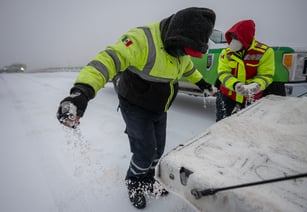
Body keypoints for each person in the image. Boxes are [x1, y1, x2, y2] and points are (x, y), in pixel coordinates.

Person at [56, 7, 216, 209]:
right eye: (184, 49)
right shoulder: (142, 40)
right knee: (144, 152)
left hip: (160, 107)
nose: (185, 55)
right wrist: (82, 91)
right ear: (175, 35)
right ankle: (133, 182)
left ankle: (148, 178)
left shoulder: (182, 50)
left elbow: (188, 68)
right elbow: (109, 60)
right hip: (135, 105)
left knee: (158, 149)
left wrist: (203, 84)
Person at [215, 19, 275, 122]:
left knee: (247, 128)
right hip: (227, 97)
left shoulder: (264, 52)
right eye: (232, 36)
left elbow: (266, 75)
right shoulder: (226, 52)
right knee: (222, 125)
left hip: (251, 99)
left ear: (246, 37)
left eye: (236, 37)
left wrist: (257, 86)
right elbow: (223, 72)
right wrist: (235, 85)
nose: (233, 40)